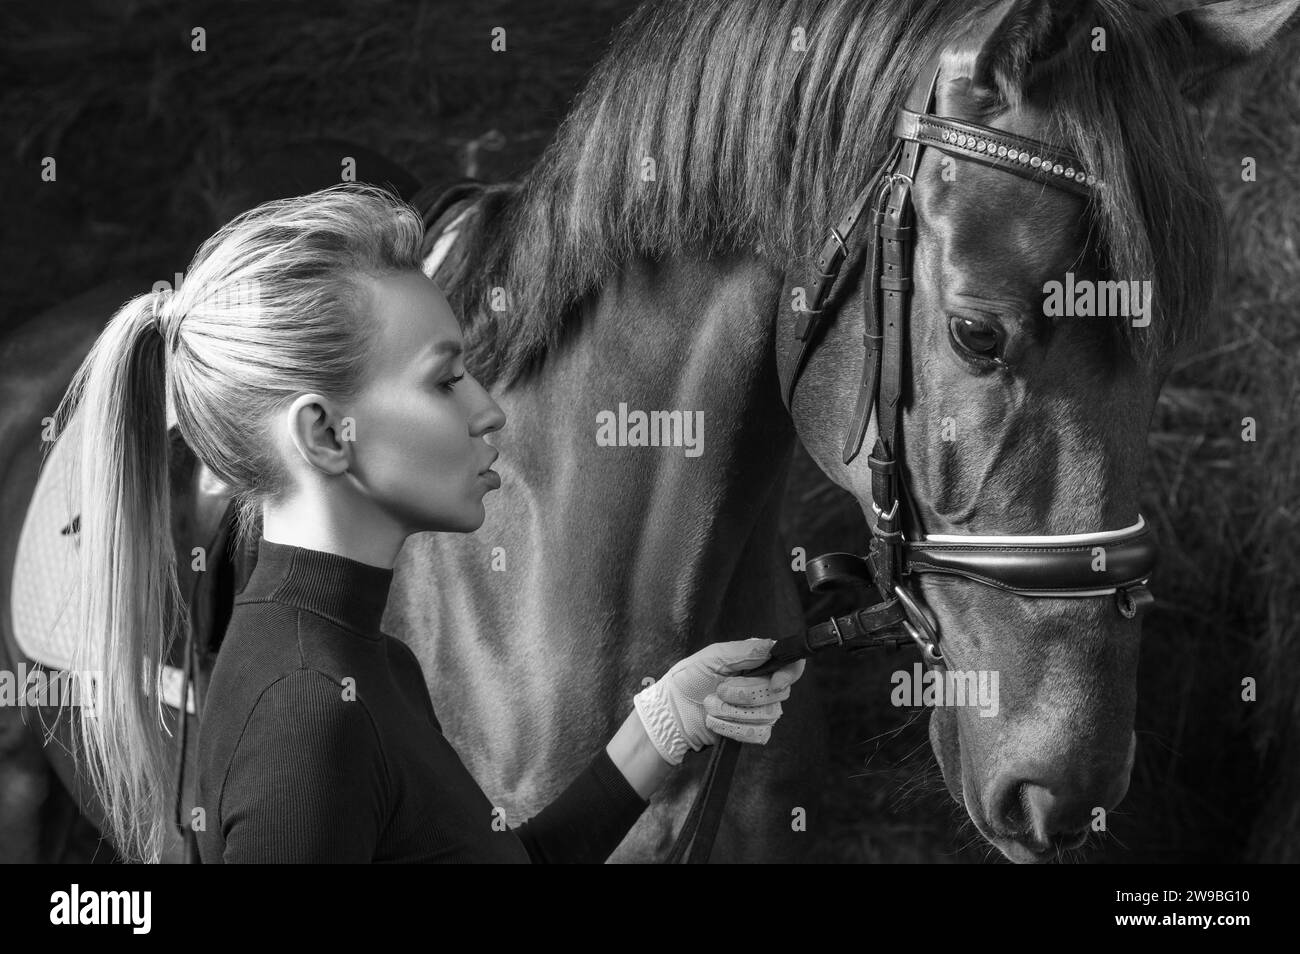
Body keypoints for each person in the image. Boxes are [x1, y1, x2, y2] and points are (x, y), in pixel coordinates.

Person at [57, 182, 805, 863]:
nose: (487, 410)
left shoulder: (375, 667)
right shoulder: (307, 718)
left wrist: (666, 719)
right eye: (446, 379)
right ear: (324, 436)